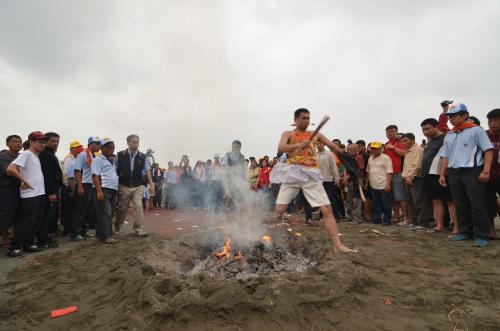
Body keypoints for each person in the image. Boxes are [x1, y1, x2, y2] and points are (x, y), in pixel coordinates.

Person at [270, 108, 355, 253]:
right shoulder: (288, 134)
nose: (306, 121)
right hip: (293, 173)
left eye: (308, 118)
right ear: (295, 120)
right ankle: (262, 232)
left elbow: (332, 146)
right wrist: (298, 144)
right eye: (303, 118)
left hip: (311, 174)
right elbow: (281, 147)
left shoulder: (316, 135)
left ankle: (338, 245)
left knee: (327, 210)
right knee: (279, 211)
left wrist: (345, 155)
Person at [438, 103, 494, 247]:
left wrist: (486, 170)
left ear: (465, 115)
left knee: (477, 204)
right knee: (460, 204)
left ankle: (482, 234)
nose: (451, 119)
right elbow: (445, 155)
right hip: (454, 173)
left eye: (454, 115)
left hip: (472, 171)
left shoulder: (476, 131)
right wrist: (442, 174)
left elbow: (488, 150)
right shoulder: (450, 135)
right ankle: (465, 232)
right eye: (449, 116)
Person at [6, 132, 47, 257]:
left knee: (36, 221)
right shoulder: (26, 154)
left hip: (39, 193)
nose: (42, 144)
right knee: (27, 222)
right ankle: (14, 248)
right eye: (40, 142)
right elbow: (10, 169)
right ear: (32, 142)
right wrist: (23, 181)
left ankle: (28, 244)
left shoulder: (35, 155)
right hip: (30, 195)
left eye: (44, 142)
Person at [420, 118, 458, 235]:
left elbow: (448, 155)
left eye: (427, 129)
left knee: (450, 201)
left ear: (436, 126)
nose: (425, 132)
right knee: (436, 201)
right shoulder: (430, 141)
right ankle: (440, 225)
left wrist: (444, 172)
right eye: (423, 130)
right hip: (428, 175)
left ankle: (457, 227)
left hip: (441, 174)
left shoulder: (447, 137)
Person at [115, 134, 153, 237]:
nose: (136, 144)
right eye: (133, 142)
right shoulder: (119, 155)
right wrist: (115, 185)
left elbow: (147, 171)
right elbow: (114, 171)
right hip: (124, 185)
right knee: (122, 209)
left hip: (138, 186)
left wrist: (151, 184)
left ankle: (138, 228)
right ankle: (116, 227)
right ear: (128, 143)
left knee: (139, 206)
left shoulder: (143, 157)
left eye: (137, 142)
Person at [400, 133, 433, 231]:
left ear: (413, 140)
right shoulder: (408, 151)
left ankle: (423, 223)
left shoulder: (418, 149)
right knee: (411, 202)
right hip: (407, 178)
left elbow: (416, 165)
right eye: (402, 141)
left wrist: (410, 177)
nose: (403, 143)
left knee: (419, 201)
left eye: (406, 141)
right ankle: (414, 222)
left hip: (416, 178)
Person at [72, 136, 101, 241]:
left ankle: (83, 231)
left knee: (87, 210)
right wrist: (79, 186)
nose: (99, 146)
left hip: (91, 185)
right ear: (91, 144)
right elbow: (77, 171)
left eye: (99, 144)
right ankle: (75, 233)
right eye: (97, 144)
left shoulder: (94, 156)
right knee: (80, 210)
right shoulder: (83, 155)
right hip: (84, 184)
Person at [38, 132, 63, 248]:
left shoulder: (51, 154)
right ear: (46, 141)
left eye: (57, 141)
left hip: (53, 188)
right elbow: (47, 175)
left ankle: (45, 237)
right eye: (53, 141)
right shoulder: (45, 154)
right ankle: (43, 240)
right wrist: (51, 192)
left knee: (50, 216)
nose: (55, 143)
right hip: (49, 191)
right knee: (46, 216)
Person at [92, 138, 119, 243]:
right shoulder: (98, 159)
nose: (111, 149)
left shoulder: (111, 161)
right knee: (106, 213)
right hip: (104, 189)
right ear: (102, 148)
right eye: (108, 147)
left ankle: (100, 235)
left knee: (108, 212)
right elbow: (95, 176)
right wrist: (99, 191)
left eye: (112, 147)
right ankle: (107, 236)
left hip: (112, 189)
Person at [0, 135, 22, 247]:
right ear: (7, 144)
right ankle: (5, 238)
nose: (18, 144)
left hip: (20, 189)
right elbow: (9, 172)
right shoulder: (3, 157)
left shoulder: (22, 156)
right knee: (6, 214)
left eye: (19, 142)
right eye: (14, 142)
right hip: (6, 190)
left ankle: (15, 236)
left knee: (19, 214)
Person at [384, 125, 408, 224]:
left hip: (398, 172)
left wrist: (393, 148)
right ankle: (397, 217)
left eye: (392, 131)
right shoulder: (386, 144)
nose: (389, 133)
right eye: (388, 132)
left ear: (397, 132)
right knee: (393, 197)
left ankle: (406, 218)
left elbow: (405, 153)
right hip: (388, 173)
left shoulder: (400, 142)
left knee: (401, 196)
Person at [365, 142, 393, 226]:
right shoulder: (370, 158)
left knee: (386, 203)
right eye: (372, 148)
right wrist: (366, 182)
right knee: (375, 203)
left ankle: (387, 220)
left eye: (376, 148)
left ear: (381, 149)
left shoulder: (386, 158)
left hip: (383, 184)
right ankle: (377, 219)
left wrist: (388, 184)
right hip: (373, 184)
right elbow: (368, 171)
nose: (374, 150)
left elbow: (389, 172)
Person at [61, 141, 84, 236]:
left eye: (80, 147)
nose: (79, 149)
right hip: (70, 187)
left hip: (72, 186)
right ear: (72, 149)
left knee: (73, 210)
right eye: (77, 148)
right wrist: (72, 190)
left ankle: (70, 229)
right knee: (70, 210)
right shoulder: (70, 159)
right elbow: (69, 176)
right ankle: (68, 229)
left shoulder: (74, 158)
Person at [485, 109, 500, 239]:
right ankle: (491, 231)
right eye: (490, 121)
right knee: (489, 204)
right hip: (488, 175)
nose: (492, 123)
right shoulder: (484, 135)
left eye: (495, 121)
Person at [344, 144, 363, 225]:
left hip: (357, 180)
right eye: (349, 149)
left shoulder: (359, 158)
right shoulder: (348, 158)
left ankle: (357, 219)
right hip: (350, 180)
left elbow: (358, 171)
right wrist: (345, 177)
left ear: (357, 149)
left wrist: (347, 177)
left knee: (356, 200)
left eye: (353, 149)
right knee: (349, 199)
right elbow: (346, 169)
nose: (351, 150)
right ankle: (350, 217)